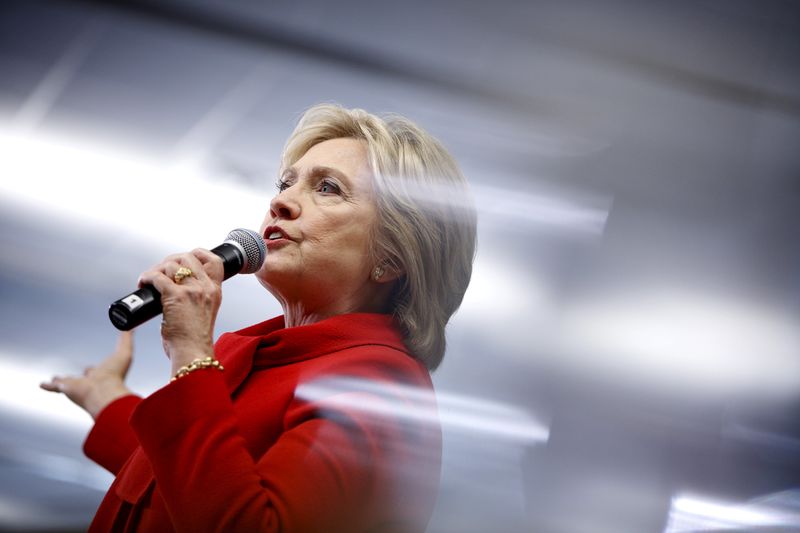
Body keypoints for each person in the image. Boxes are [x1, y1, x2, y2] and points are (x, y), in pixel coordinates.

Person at [41, 103, 477, 532]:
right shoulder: (262, 358)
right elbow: (187, 480)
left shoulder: (377, 387)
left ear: (392, 257)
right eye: (285, 183)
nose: (281, 201)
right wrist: (108, 398)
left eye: (327, 188)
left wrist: (192, 352)